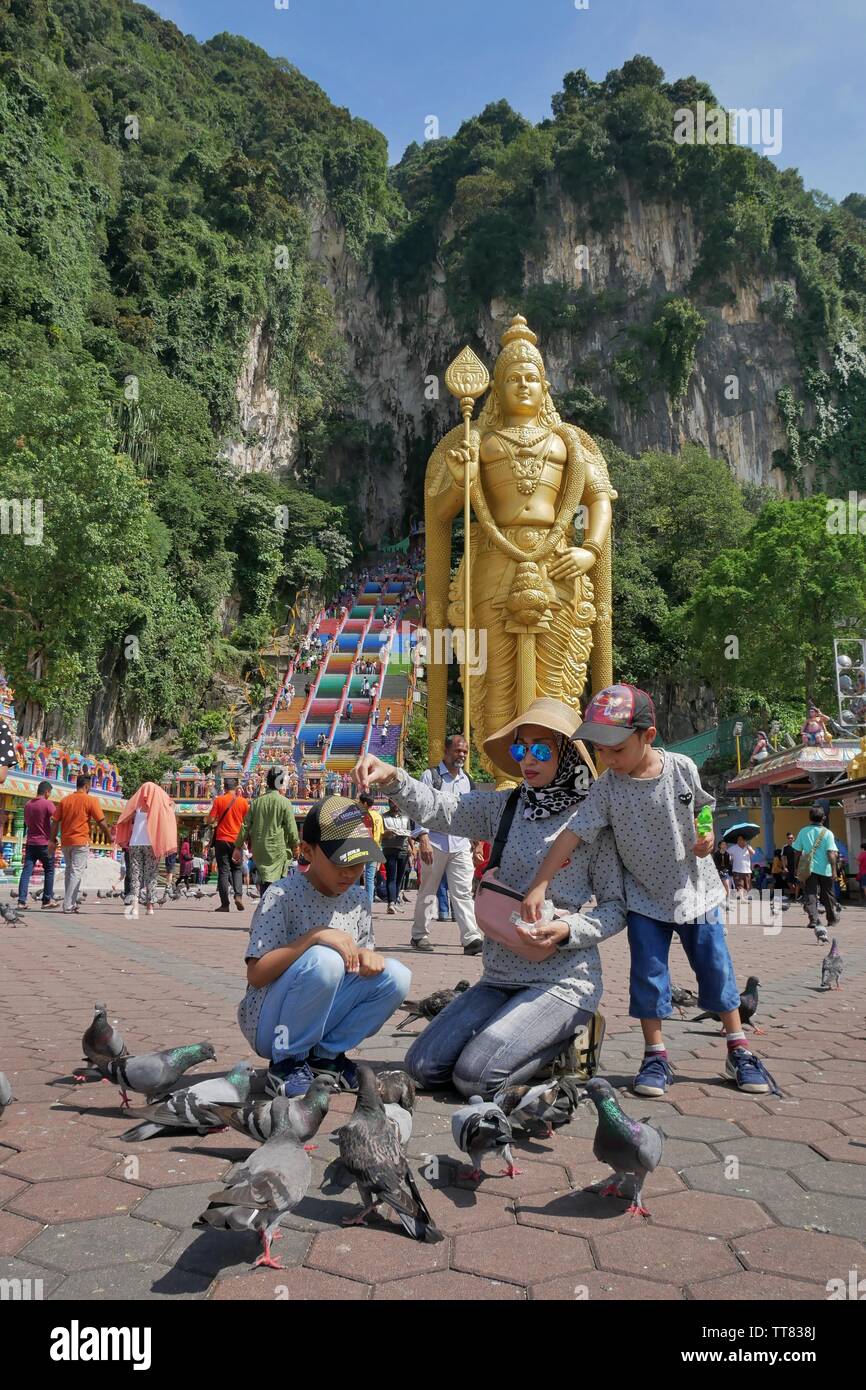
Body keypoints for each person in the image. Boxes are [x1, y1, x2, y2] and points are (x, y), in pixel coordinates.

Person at [353, 697, 624, 1099]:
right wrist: (394, 777)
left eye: (541, 749)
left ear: (567, 754)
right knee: (423, 1066)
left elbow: (616, 908)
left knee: (476, 1077)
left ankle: (567, 1041)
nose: (527, 759)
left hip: (561, 978)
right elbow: (441, 809)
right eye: (520, 748)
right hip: (499, 975)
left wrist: (567, 928)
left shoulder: (591, 818)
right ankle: (521, 1036)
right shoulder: (507, 806)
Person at [520, 684, 776, 1097]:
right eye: (599, 750)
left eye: (616, 749)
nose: (607, 759)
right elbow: (572, 836)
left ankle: (738, 1049)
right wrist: (539, 885)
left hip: (697, 893)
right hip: (643, 899)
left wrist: (708, 835)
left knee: (716, 969)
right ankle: (655, 1055)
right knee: (649, 977)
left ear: (648, 736)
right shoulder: (606, 788)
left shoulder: (681, 768)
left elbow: (703, 808)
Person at [236, 796, 410, 1098]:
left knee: (396, 976)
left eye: (358, 862)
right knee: (324, 959)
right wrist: (313, 937)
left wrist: (368, 956)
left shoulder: (357, 899)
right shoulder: (282, 895)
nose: (349, 872)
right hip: (270, 1022)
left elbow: (362, 957)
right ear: (307, 851)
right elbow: (257, 974)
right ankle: (286, 1064)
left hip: (320, 1016)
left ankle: (325, 1058)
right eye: (340, 861)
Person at [409, 734, 484, 956]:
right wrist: (422, 839)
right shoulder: (430, 776)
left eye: (465, 752)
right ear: (446, 751)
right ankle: (419, 935)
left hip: (460, 843)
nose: (461, 755)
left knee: (462, 892)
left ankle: (471, 938)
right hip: (434, 841)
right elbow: (418, 807)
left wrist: (477, 843)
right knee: (428, 892)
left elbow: (472, 814)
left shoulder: (467, 780)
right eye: (458, 751)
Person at [113, 780, 178, 919]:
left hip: (135, 843)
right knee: (151, 875)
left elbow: (124, 817)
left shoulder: (136, 805)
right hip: (151, 844)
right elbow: (171, 810)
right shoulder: (160, 806)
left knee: (135, 875)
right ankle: (150, 907)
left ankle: (135, 906)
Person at [232, 767, 299, 897]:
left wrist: (237, 847)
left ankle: (265, 905)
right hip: (277, 850)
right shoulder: (284, 802)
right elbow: (292, 828)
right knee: (277, 884)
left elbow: (245, 826)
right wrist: (295, 846)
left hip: (259, 850)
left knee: (264, 881)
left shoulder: (256, 802)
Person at [51, 774, 106, 914]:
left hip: (66, 841)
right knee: (76, 872)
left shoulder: (65, 800)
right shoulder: (90, 800)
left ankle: (72, 902)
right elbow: (101, 821)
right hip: (80, 841)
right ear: (87, 786)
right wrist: (108, 835)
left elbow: (55, 821)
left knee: (70, 871)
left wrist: (52, 839)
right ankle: (68, 904)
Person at [793, 807, 840, 944]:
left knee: (811, 894)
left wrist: (797, 868)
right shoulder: (828, 833)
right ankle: (831, 919)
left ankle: (813, 920)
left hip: (809, 870)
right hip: (825, 870)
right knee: (828, 894)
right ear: (823, 818)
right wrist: (834, 870)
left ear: (809, 818)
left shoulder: (803, 831)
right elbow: (831, 853)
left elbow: (797, 851)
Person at [207, 777, 250, 914]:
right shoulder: (243, 802)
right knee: (237, 869)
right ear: (236, 788)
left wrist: (214, 820)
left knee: (224, 872)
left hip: (221, 839)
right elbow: (247, 821)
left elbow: (211, 820)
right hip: (237, 840)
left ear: (224, 788)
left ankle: (225, 904)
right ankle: (238, 896)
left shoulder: (219, 800)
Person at [17, 781, 57, 910]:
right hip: (44, 843)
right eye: (49, 793)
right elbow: (56, 818)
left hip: (30, 843)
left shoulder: (28, 804)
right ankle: (46, 900)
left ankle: (21, 901)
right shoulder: (47, 804)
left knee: (26, 871)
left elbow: (27, 822)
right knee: (49, 870)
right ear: (47, 792)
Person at [381, 799, 413, 914]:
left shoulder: (405, 816)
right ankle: (391, 903)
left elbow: (409, 833)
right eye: (393, 803)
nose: (395, 805)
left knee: (399, 878)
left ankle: (395, 901)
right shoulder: (383, 817)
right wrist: (386, 834)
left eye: (397, 803)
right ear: (389, 804)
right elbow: (380, 833)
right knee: (391, 877)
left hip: (403, 850)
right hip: (389, 849)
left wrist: (412, 848)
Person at [357, 792, 384, 919]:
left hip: (361, 848)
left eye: (360, 802)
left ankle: (355, 905)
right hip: (375, 849)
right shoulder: (378, 816)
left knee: (356, 877)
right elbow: (381, 834)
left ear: (365, 803)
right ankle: (368, 908)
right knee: (369, 879)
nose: (358, 804)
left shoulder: (360, 816)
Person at [782, 831, 801, 899]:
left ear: (794, 838)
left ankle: (795, 896)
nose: (790, 839)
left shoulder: (797, 847)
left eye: (791, 838)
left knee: (798, 882)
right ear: (787, 839)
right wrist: (784, 867)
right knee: (790, 883)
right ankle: (794, 893)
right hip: (789, 867)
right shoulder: (785, 847)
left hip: (797, 867)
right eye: (789, 838)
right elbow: (784, 858)